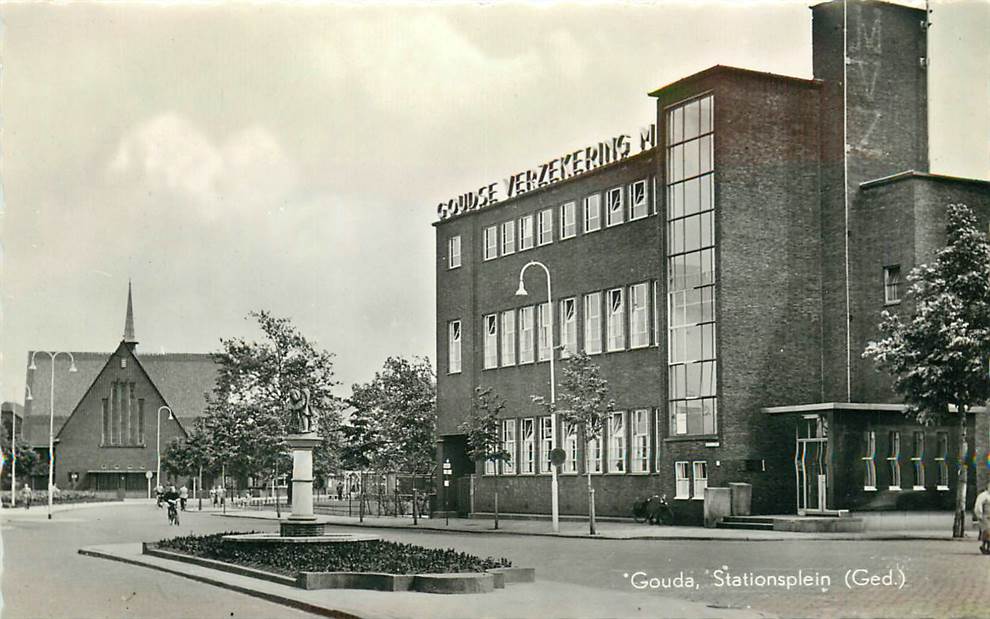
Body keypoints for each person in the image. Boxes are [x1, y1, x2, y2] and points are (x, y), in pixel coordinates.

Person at [974, 480, 990, 555]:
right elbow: (978, 505)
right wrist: (979, 515)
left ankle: (986, 547)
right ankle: (984, 546)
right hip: (986, 517)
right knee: (987, 532)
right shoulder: (983, 496)